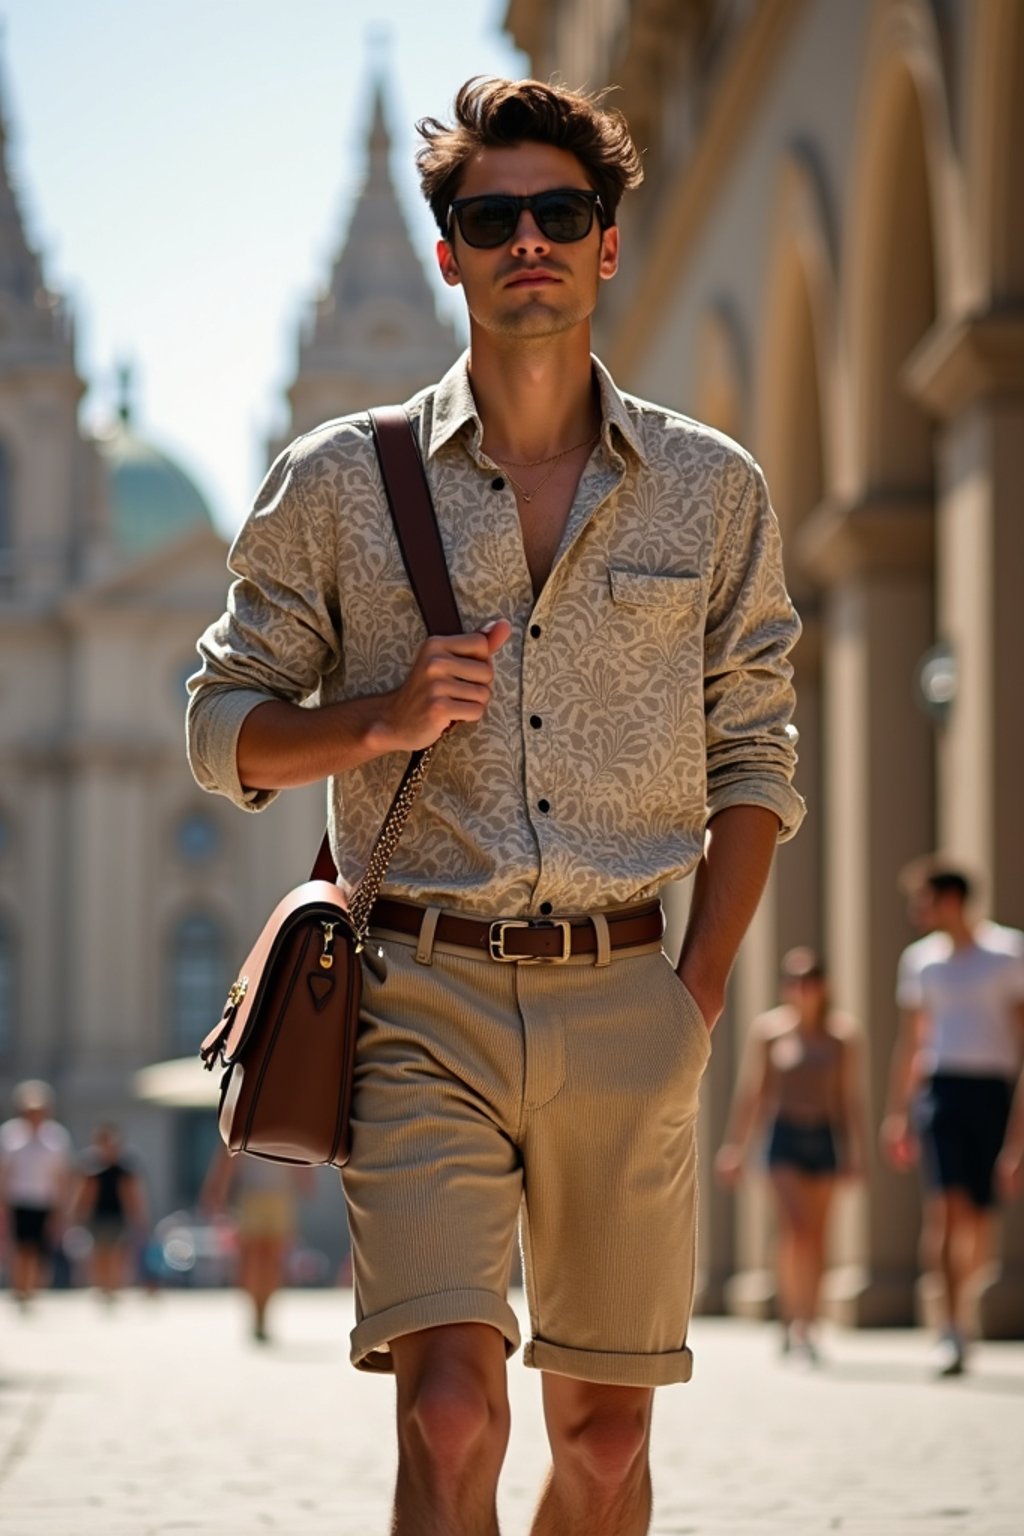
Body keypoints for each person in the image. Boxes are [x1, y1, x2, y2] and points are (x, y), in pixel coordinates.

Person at [187, 77, 804, 1536]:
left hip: (624, 997)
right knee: (451, 1409)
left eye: (560, 213)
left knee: (598, 1447)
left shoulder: (709, 493)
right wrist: (377, 721)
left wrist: (693, 998)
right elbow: (220, 731)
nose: (527, 238)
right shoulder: (336, 484)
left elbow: (759, 759)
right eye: (491, 216)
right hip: (418, 995)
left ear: (604, 247)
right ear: (451, 250)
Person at [881, 860, 1024, 1377]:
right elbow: (913, 1040)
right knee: (945, 1207)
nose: (917, 911)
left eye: (925, 900)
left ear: (953, 900)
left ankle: (964, 1313)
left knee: (980, 1218)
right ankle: (949, 1328)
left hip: (993, 1090)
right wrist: (898, 1112)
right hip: (940, 1091)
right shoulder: (920, 961)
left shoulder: (1008, 953)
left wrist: (1018, 1136)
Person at [715, 948, 866, 1362]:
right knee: (795, 1228)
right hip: (783, 1136)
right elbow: (754, 1092)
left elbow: (848, 1098)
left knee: (817, 1236)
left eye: (812, 978)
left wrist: (856, 1151)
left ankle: (809, 1321)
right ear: (786, 986)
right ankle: (790, 1316)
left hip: (824, 1136)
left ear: (825, 985)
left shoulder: (841, 1036)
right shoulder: (770, 1031)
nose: (804, 987)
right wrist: (736, 1147)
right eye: (796, 979)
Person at [201, 1146, 310, 1342]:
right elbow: (229, 1153)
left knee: (272, 1261)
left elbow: (297, 1148)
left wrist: (305, 1176)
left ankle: (264, 1312)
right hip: (251, 1196)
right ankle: (255, 1311)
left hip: (281, 1196)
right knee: (251, 1260)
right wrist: (218, 1190)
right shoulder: (246, 1116)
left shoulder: (287, 1118)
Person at [0, 1080, 73, 1307]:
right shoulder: (9, 1135)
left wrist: (62, 1208)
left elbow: (62, 1175)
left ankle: (31, 1289)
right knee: (20, 1246)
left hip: (45, 1201)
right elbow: (4, 1172)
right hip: (18, 1199)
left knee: (39, 1249)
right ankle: (20, 1288)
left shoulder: (57, 1137)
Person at [72, 1123, 148, 1300]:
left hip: (117, 1215)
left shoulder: (124, 1168)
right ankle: (102, 1286)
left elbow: (131, 1194)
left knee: (117, 1252)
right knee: (99, 1251)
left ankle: (114, 1286)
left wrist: (138, 1216)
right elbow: (86, 1192)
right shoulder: (92, 1167)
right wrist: (78, 1212)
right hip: (98, 1214)